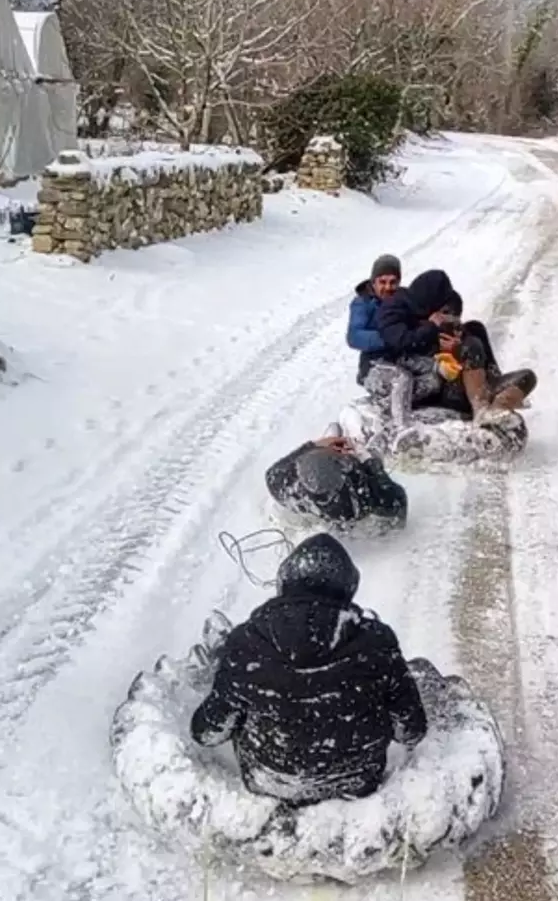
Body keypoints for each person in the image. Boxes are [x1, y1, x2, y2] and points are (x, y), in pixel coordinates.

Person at [190, 533, 428, 805]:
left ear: (285, 584)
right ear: (348, 588)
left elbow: (207, 733)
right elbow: (411, 731)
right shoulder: (379, 644)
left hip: (268, 783)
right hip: (359, 785)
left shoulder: (245, 644)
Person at [376, 269, 537, 423]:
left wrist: (456, 338)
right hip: (447, 386)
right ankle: (481, 410)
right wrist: (438, 339)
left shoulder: (460, 330)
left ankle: (497, 407)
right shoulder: (399, 315)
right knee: (471, 346)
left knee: (527, 376)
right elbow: (402, 344)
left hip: (475, 381)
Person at [265, 431, 407, 529]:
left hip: (320, 504)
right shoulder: (367, 494)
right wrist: (372, 465)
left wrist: (313, 446)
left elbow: (271, 475)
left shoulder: (288, 488)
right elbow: (398, 501)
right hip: (355, 503)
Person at [346, 254, 404, 385]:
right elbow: (354, 336)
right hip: (373, 364)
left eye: (393, 282)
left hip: (399, 359)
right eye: (382, 282)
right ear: (373, 282)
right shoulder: (363, 303)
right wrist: (389, 337)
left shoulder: (403, 299)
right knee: (401, 382)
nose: (388, 287)